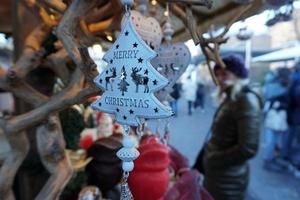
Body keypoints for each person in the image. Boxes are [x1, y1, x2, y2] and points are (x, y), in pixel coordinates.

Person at [202, 54, 262, 200]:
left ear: (237, 74)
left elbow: (248, 148)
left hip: (228, 181)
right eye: (217, 74)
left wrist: (213, 159)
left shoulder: (245, 99)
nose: (220, 79)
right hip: (218, 175)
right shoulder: (233, 97)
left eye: (224, 74)